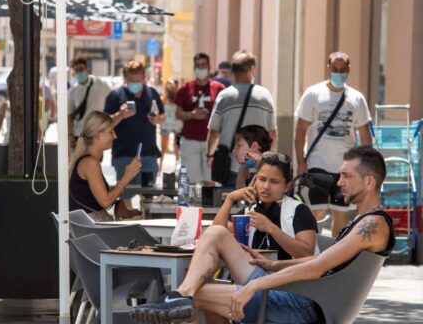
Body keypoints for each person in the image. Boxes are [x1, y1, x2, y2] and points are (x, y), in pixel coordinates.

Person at [130, 146, 394, 324]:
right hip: (298, 294)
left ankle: (176, 295)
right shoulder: (363, 222)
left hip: (307, 305)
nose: (339, 181)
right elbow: (322, 262)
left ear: (369, 181)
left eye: (346, 176)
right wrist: (273, 264)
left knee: (195, 298)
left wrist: (255, 284)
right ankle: (179, 293)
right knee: (218, 234)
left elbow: (318, 266)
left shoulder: (373, 224)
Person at [295, 52, 373, 237]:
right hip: (317, 164)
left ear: (349, 70)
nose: (339, 73)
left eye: (343, 70)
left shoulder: (356, 98)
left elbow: (364, 134)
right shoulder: (313, 94)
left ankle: (334, 256)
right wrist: (300, 162)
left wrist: (367, 166)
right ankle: (314, 253)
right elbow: (300, 130)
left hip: (346, 168)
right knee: (318, 213)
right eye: (335, 69)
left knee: (341, 214)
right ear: (328, 68)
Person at [211, 152, 318, 260]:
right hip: (253, 272)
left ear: (287, 186)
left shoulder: (299, 211)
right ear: (255, 180)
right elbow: (216, 233)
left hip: (289, 274)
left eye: (274, 182)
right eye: (262, 179)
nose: (266, 186)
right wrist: (230, 199)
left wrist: (270, 228)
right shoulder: (252, 210)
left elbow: (307, 254)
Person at [206, 50, 278, 187]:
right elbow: (273, 133)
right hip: (258, 170)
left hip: (230, 167)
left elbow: (213, 132)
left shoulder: (224, 96)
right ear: (252, 69)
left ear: (233, 71)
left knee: (231, 205)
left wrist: (209, 155)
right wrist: (266, 160)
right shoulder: (264, 95)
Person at [104, 60, 166, 203]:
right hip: (124, 154)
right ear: (125, 78)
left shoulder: (152, 93)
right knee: (125, 198)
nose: (135, 83)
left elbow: (162, 116)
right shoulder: (115, 95)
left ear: (144, 78)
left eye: (138, 80)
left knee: (148, 197)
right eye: (131, 81)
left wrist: (157, 119)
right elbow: (105, 123)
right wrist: (120, 115)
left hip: (149, 154)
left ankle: (147, 223)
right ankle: (127, 224)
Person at [68, 111, 142, 221]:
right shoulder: (89, 163)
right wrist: (127, 177)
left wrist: (118, 204)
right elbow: (105, 201)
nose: (115, 136)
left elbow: (98, 200)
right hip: (92, 230)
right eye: (111, 132)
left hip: (92, 227)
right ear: (98, 134)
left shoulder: (89, 161)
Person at [174, 53, 226, 183]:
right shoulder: (186, 88)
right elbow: (178, 113)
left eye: (203, 65)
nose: (200, 68)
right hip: (190, 140)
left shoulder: (219, 88)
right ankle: (193, 203)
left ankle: (208, 203)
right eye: (197, 66)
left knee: (210, 179)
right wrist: (192, 115)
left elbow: (225, 113)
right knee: (190, 180)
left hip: (211, 141)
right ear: (194, 68)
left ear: (209, 67)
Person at [68, 57, 111, 151]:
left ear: (87, 69)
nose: (79, 72)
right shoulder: (73, 91)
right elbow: (69, 116)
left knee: (95, 162)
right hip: (80, 134)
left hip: (97, 133)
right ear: (74, 72)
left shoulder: (100, 84)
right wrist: (70, 135)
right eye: (77, 70)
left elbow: (111, 100)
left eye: (81, 69)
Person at [159, 79, 183, 172]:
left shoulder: (164, 100)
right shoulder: (177, 100)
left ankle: (160, 168)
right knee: (176, 146)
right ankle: (176, 165)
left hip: (166, 125)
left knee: (163, 148)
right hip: (175, 125)